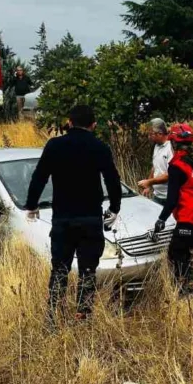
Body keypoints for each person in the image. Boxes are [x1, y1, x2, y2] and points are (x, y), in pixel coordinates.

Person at [25, 105, 122, 323]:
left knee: (59, 268)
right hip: (90, 218)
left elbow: (39, 177)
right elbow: (112, 180)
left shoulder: (55, 145)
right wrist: (115, 208)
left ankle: (52, 314)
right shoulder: (99, 147)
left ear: (69, 122)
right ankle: (83, 315)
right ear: (93, 125)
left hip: (63, 218)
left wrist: (31, 205)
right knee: (88, 269)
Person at [153, 123, 193, 293]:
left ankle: (184, 290)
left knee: (176, 253)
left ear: (173, 143)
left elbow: (172, 199)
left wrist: (161, 219)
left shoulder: (177, 165)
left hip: (190, 217)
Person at [137, 118, 173, 203]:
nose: (149, 137)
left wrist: (149, 182)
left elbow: (169, 175)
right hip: (157, 195)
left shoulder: (171, 148)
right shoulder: (157, 146)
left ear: (160, 133)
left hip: (169, 197)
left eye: (151, 134)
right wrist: (148, 186)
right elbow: (155, 167)